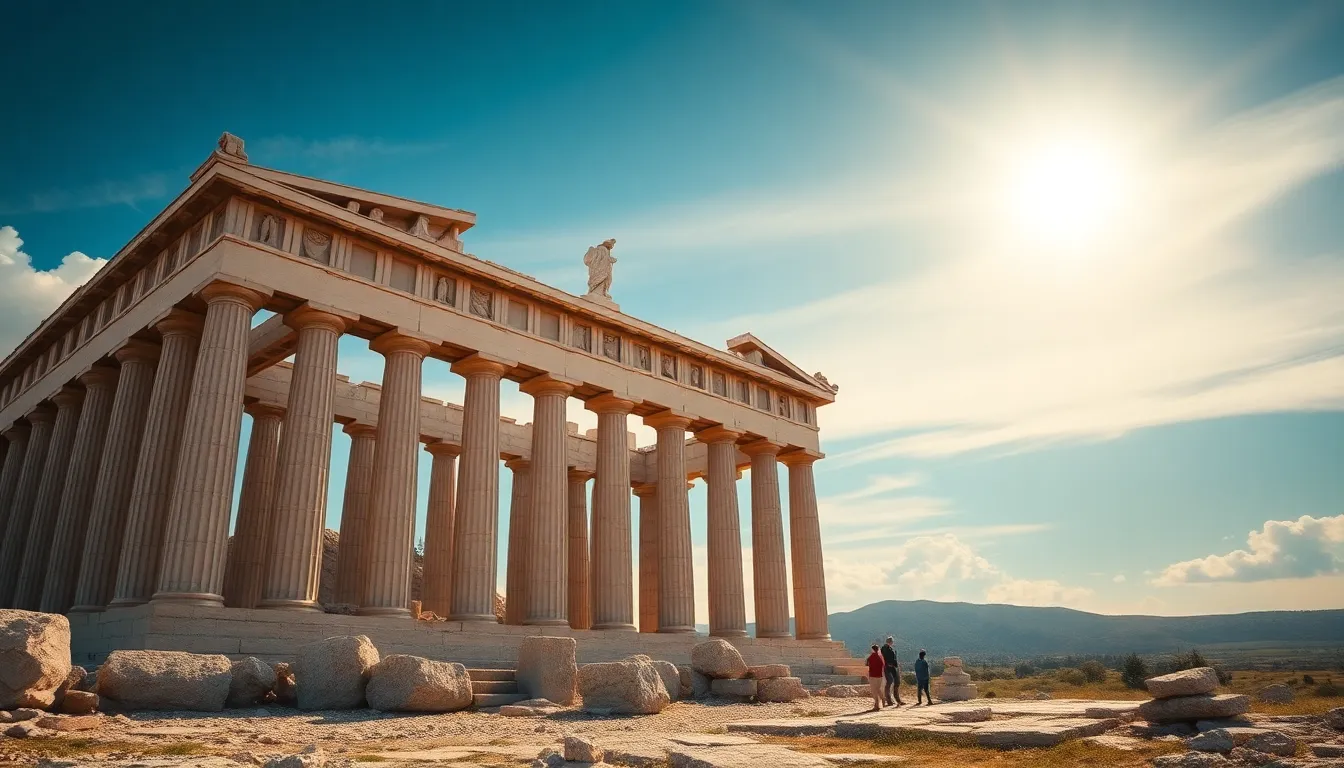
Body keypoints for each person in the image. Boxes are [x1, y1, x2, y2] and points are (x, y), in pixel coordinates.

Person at [881, 636, 904, 706]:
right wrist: (888, 664)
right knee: (890, 682)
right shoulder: (885, 648)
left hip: (893, 667)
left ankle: (897, 700)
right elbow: (884, 658)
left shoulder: (890, 648)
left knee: (897, 682)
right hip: (888, 668)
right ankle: (889, 700)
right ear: (890, 642)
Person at [865, 644, 885, 712]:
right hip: (880, 675)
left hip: (873, 675)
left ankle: (876, 705)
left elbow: (867, 663)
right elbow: (883, 665)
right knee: (878, 689)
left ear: (873, 649)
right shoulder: (880, 656)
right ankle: (883, 698)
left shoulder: (871, 657)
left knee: (874, 691)